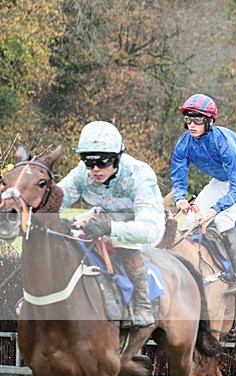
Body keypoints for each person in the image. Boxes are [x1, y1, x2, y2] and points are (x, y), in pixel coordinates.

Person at [60, 121, 165, 327]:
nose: (95, 169)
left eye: (102, 162)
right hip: (104, 214)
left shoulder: (139, 174)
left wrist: (110, 229)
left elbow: (149, 230)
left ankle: (143, 305)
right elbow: (57, 198)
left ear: (117, 157)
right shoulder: (82, 172)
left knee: (123, 243)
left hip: (141, 224)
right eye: (88, 162)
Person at [170, 93, 236, 296]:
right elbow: (179, 175)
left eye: (198, 120)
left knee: (223, 219)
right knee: (189, 219)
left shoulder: (224, 142)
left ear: (209, 122)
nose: (192, 125)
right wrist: (180, 198)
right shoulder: (183, 143)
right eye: (188, 120)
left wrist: (214, 210)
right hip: (219, 181)